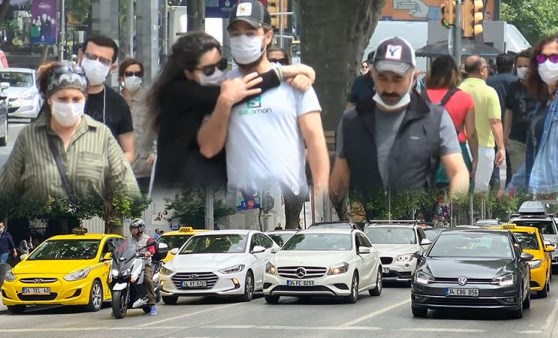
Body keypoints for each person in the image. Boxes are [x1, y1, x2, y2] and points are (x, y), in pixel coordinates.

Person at [198, 0, 329, 228]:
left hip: (288, 198)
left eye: (250, 33)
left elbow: (317, 147)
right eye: (236, 34)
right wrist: (225, 102)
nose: (242, 40)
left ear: (267, 36)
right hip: (239, 204)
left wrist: (321, 203)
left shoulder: (295, 85)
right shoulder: (221, 87)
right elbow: (208, 148)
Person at [149, 31, 314, 191]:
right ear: (189, 73)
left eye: (220, 65)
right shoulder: (178, 92)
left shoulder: (198, 90)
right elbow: (240, 92)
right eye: (208, 70)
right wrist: (283, 72)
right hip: (179, 194)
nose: (218, 73)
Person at [330, 37, 469, 218]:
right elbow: (340, 177)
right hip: (365, 229)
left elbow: (458, 172)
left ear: (413, 77)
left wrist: (446, 212)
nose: (389, 87)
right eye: (383, 78)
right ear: (372, 75)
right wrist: (340, 218)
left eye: (398, 79)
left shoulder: (435, 119)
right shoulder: (352, 120)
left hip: (418, 228)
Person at [0, 62, 140, 205]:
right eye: (62, 99)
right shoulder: (29, 136)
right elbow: (6, 191)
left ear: (85, 99)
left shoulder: (102, 135)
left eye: (76, 99)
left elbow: (128, 191)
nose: (70, 105)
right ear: (49, 99)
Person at [423, 55, 477, 188]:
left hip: (427, 153)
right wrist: (475, 159)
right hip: (457, 152)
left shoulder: (420, 96)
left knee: (427, 200)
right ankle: (448, 210)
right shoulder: (464, 98)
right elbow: (471, 134)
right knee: (456, 199)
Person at [79, 35, 135, 164]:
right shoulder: (60, 96)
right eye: (91, 57)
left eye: (104, 61)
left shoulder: (118, 104)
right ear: (80, 56)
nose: (96, 64)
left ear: (112, 68)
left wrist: (109, 170)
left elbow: (129, 152)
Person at [459, 55, 505, 194]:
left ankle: (459, 215)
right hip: (484, 147)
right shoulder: (489, 92)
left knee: (460, 190)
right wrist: (501, 147)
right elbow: (495, 121)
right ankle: (477, 215)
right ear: (482, 70)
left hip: (460, 147)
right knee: (480, 191)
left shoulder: (458, 90)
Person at [523, 34, 558, 194]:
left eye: (554, 58)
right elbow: (537, 154)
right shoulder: (543, 104)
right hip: (541, 191)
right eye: (542, 59)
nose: (548, 64)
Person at [119, 58, 156, 194]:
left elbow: (162, 127)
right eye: (129, 74)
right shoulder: (114, 100)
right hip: (120, 170)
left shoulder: (150, 100)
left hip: (145, 169)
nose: (133, 77)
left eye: (138, 74)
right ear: (121, 77)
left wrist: (155, 153)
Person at [504, 49, 536, 178]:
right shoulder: (512, 87)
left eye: (526, 66)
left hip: (537, 140)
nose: (523, 69)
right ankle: (520, 199)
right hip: (517, 140)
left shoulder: (541, 87)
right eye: (519, 66)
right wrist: (505, 134)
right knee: (519, 175)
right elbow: (509, 110)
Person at [128, 219, 157, 316]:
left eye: (134, 228)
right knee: (113, 278)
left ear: (140, 229)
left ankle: (152, 304)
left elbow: (152, 249)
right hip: (129, 264)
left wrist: (149, 252)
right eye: (131, 228)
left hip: (144, 264)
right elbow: (120, 248)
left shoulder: (148, 239)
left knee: (148, 280)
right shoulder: (128, 239)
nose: (132, 230)